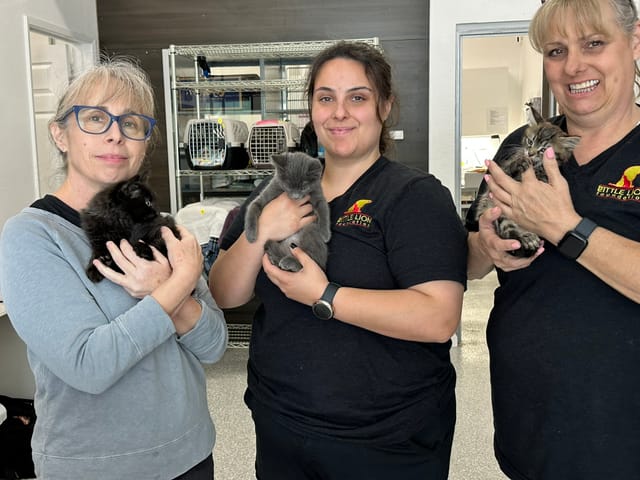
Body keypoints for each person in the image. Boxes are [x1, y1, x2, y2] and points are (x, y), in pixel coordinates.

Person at [209, 41, 467, 479]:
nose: (339, 112)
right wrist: (262, 231)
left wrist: (324, 294)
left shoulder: (414, 197)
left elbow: (438, 317)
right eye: (325, 97)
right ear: (311, 108)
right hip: (282, 424)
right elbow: (224, 293)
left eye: (358, 97)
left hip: (386, 439)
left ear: (384, 106)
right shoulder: (278, 190)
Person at [0, 58, 228, 479]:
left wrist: (167, 291)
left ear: (144, 144)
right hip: (97, 468)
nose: (114, 135)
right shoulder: (32, 236)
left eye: (132, 123)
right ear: (60, 134)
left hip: (191, 454)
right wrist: (175, 288)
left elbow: (214, 345)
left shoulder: (160, 226)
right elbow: (89, 366)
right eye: (94, 117)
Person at [466, 0, 640, 478]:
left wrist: (567, 227)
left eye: (594, 44)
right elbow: (467, 264)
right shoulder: (521, 144)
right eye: (557, 50)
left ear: (635, 41)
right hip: (532, 431)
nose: (574, 66)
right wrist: (486, 246)